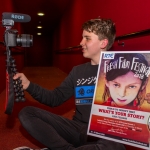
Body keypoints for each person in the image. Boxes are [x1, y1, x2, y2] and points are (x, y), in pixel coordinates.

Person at [13, 18, 126, 150]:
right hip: (77, 130)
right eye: (82, 38)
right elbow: (55, 98)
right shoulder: (78, 71)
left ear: (103, 43)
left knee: (116, 146)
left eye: (87, 38)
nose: (81, 42)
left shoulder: (123, 71)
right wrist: (29, 85)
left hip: (104, 134)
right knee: (27, 113)